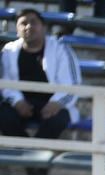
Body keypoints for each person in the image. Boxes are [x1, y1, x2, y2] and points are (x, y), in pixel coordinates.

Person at [0, 9, 81, 140]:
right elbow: (5, 84)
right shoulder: (9, 51)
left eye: (33, 22)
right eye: (23, 23)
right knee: (4, 114)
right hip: (22, 102)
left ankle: (36, 152)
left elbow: (72, 84)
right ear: (17, 29)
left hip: (52, 102)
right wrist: (18, 102)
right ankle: (23, 151)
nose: (28, 26)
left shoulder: (61, 49)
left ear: (44, 27)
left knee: (58, 119)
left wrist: (56, 103)